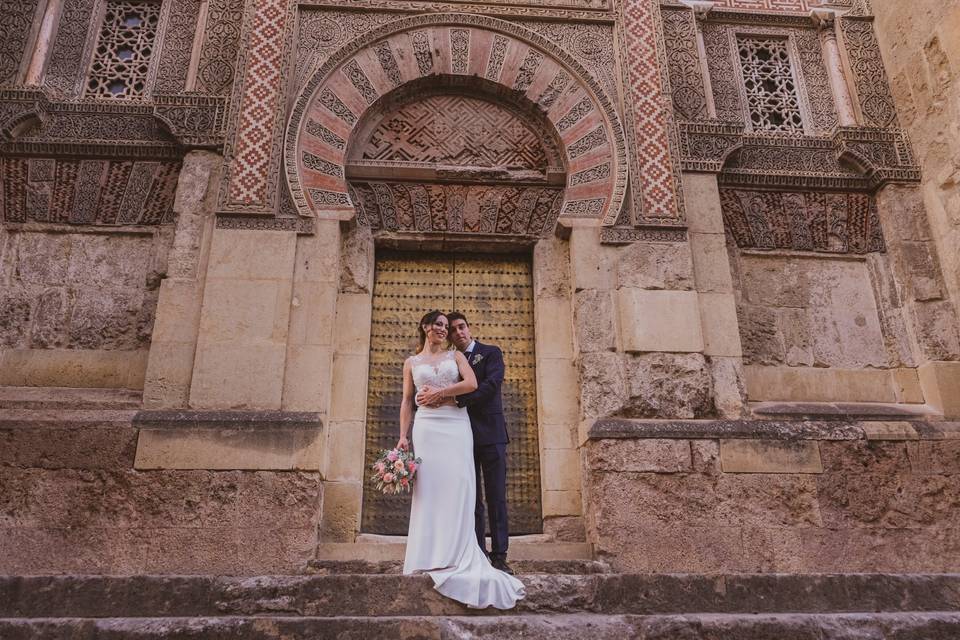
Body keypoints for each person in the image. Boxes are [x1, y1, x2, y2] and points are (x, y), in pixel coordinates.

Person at [397, 310, 525, 609]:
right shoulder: (411, 362)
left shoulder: (459, 356)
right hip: (427, 429)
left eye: (451, 326)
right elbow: (406, 400)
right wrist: (403, 435)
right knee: (429, 489)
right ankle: (430, 551)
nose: (446, 330)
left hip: (459, 427)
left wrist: (441, 394)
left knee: (465, 490)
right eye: (440, 325)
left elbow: (474, 385)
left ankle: (484, 555)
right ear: (425, 327)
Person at [419, 312, 513, 574]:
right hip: (461, 436)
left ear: (469, 329)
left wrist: (457, 400)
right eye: (453, 330)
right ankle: (477, 552)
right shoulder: (449, 360)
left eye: (462, 327)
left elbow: (491, 385)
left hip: (492, 434)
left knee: (496, 496)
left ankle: (500, 555)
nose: (458, 333)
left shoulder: (491, 352)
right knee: (471, 498)